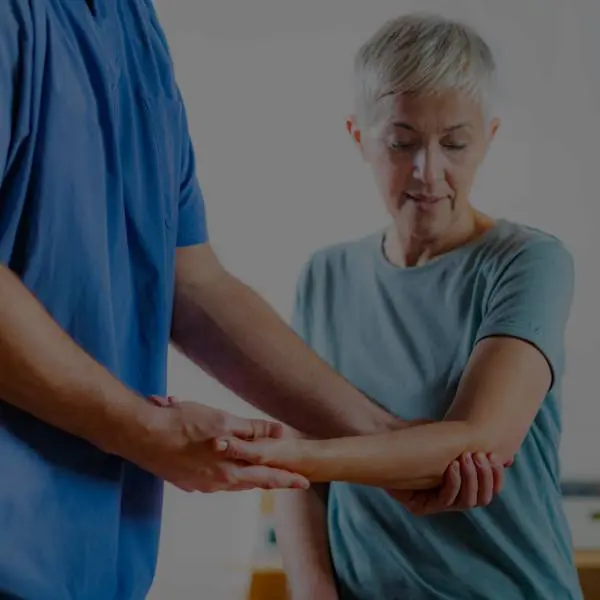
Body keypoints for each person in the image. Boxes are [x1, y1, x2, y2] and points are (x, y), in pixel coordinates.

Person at [0, 2, 503, 599]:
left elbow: (195, 282)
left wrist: (383, 442)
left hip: (95, 563)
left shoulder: (135, 31)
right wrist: (139, 429)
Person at [217, 12, 584, 600]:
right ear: (359, 136)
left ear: (489, 137)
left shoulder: (528, 263)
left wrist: (300, 455)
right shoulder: (326, 275)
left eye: (455, 143)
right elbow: (300, 484)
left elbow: (478, 440)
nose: (428, 172)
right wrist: (315, 590)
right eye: (402, 141)